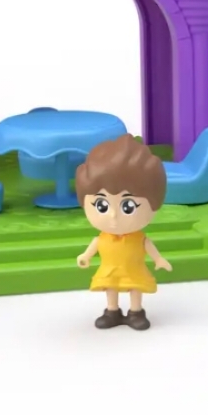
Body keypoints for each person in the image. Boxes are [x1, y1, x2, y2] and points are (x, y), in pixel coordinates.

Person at [75, 135, 172, 330]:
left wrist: (159, 259)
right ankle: (112, 311)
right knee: (110, 288)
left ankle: (136, 312)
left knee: (135, 287)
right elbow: (93, 247)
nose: (113, 216)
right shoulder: (102, 238)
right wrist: (85, 256)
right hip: (110, 270)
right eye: (101, 206)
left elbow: (148, 246)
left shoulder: (139, 238)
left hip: (134, 269)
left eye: (128, 207)